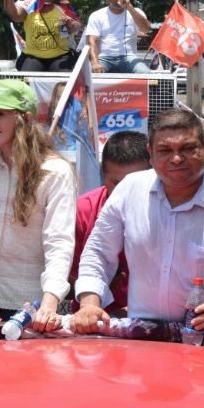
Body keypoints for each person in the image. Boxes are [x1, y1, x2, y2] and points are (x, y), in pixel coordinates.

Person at [71, 109, 204, 353]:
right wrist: (89, 302)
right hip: (143, 342)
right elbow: (99, 252)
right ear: (150, 154)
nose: (176, 159)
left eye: (187, 148)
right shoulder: (129, 191)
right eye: (165, 150)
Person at [0, 78, 77, 330]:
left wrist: (50, 303)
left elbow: (59, 242)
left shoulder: (55, 171)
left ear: (24, 119)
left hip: (28, 303)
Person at [69, 130, 150, 316]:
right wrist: (99, 291)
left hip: (154, 321)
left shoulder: (170, 212)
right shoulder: (83, 210)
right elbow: (68, 281)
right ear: (103, 175)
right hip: (94, 323)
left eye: (134, 183)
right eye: (117, 183)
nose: (125, 193)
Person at [2, 0, 83, 72]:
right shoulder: (30, 4)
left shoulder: (63, 5)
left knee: (65, 82)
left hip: (60, 56)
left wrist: (70, 25)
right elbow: (15, 15)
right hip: (33, 56)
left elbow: (77, 26)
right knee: (28, 81)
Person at [84, 0, 153, 74]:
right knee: (87, 73)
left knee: (145, 73)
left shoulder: (136, 12)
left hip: (129, 58)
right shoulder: (96, 15)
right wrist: (95, 63)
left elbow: (147, 29)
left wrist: (130, 8)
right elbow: (91, 42)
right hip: (104, 58)